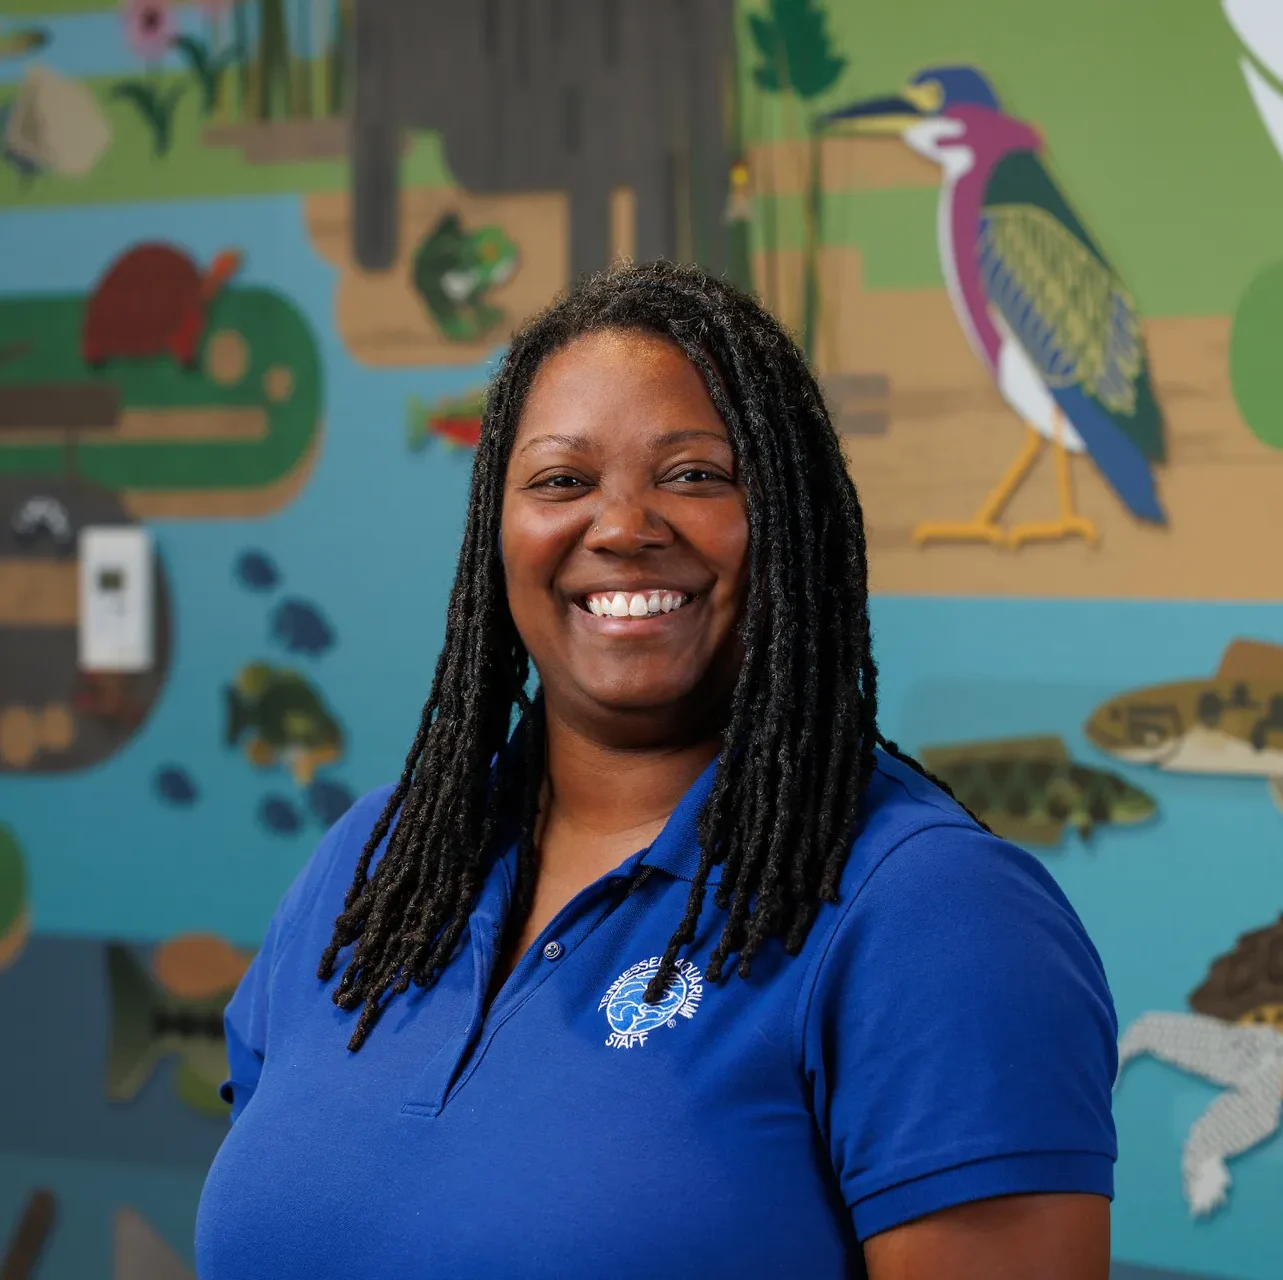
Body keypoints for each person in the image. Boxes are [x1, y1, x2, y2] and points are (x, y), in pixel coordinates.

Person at [194, 262, 1117, 1279]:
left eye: (694, 475)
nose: (624, 527)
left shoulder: (931, 911)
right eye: (560, 480)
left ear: (790, 523)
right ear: (494, 535)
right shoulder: (371, 868)